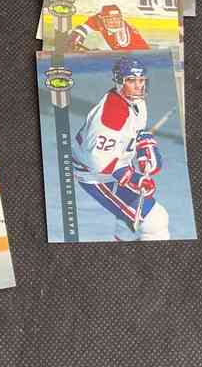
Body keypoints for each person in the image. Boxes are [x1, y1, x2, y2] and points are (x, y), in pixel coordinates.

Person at [72, 57, 170, 240]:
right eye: (132, 80)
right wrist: (133, 178)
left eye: (141, 80)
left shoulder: (135, 102)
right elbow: (99, 161)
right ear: (119, 81)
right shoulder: (113, 114)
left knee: (129, 224)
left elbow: (131, 134)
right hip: (96, 175)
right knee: (155, 221)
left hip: (113, 166)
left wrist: (142, 145)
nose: (139, 86)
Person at [69, 4, 148, 51]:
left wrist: (101, 54)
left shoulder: (124, 38)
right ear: (102, 18)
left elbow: (122, 56)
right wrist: (74, 39)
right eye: (110, 19)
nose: (114, 22)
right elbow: (83, 28)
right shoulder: (97, 19)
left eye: (117, 18)